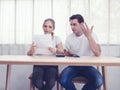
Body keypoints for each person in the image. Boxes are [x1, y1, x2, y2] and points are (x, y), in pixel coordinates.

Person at [59, 14, 103, 90]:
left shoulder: (92, 35)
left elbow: (98, 53)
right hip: (73, 66)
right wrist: (67, 53)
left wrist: (89, 37)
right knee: (63, 80)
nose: (72, 27)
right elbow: (66, 54)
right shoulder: (69, 38)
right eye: (71, 25)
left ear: (82, 24)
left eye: (74, 24)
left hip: (88, 66)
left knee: (98, 80)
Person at [27, 18, 64, 90]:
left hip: (52, 65)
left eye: (50, 27)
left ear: (53, 28)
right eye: (45, 26)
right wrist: (32, 50)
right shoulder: (37, 38)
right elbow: (28, 53)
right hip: (39, 65)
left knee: (50, 83)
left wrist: (55, 50)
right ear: (42, 27)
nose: (47, 29)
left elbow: (62, 51)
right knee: (37, 82)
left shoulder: (56, 38)